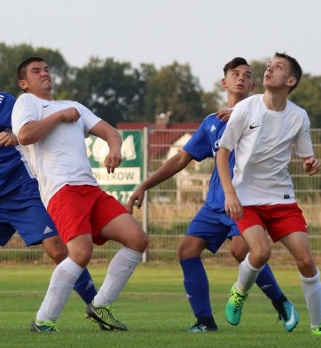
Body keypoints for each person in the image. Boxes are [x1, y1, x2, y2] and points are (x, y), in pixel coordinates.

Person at [126, 57, 298, 333]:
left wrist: (244, 114)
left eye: (247, 75)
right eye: (235, 74)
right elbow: (182, 157)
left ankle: (280, 302)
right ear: (225, 82)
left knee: (242, 250)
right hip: (215, 203)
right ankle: (205, 321)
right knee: (187, 251)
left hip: (245, 201)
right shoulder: (212, 123)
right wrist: (145, 184)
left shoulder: (264, 114)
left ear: (255, 84)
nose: (241, 78)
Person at [0, 47, 97, 330]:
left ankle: (99, 307)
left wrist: (16, 135)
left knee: (60, 253)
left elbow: (29, 122)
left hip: (24, 191)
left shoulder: (4, 102)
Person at [11, 56, 149, 332]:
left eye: (47, 70)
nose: (45, 74)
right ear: (23, 83)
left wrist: (115, 148)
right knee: (80, 253)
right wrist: (59, 116)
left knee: (137, 239)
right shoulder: (27, 103)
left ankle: (100, 306)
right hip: (61, 189)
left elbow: (111, 132)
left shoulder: (73, 106)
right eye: (36, 71)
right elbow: (25, 135)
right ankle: (43, 320)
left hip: (90, 188)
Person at [217, 52, 321, 337]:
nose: (268, 71)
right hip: (247, 200)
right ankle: (239, 292)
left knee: (306, 261)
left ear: (290, 81)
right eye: (268, 67)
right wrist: (230, 194)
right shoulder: (246, 109)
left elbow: (307, 159)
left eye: (277, 68)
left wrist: (310, 164)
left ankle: (318, 326)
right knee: (261, 252)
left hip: (281, 200)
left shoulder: (298, 116)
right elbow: (222, 154)